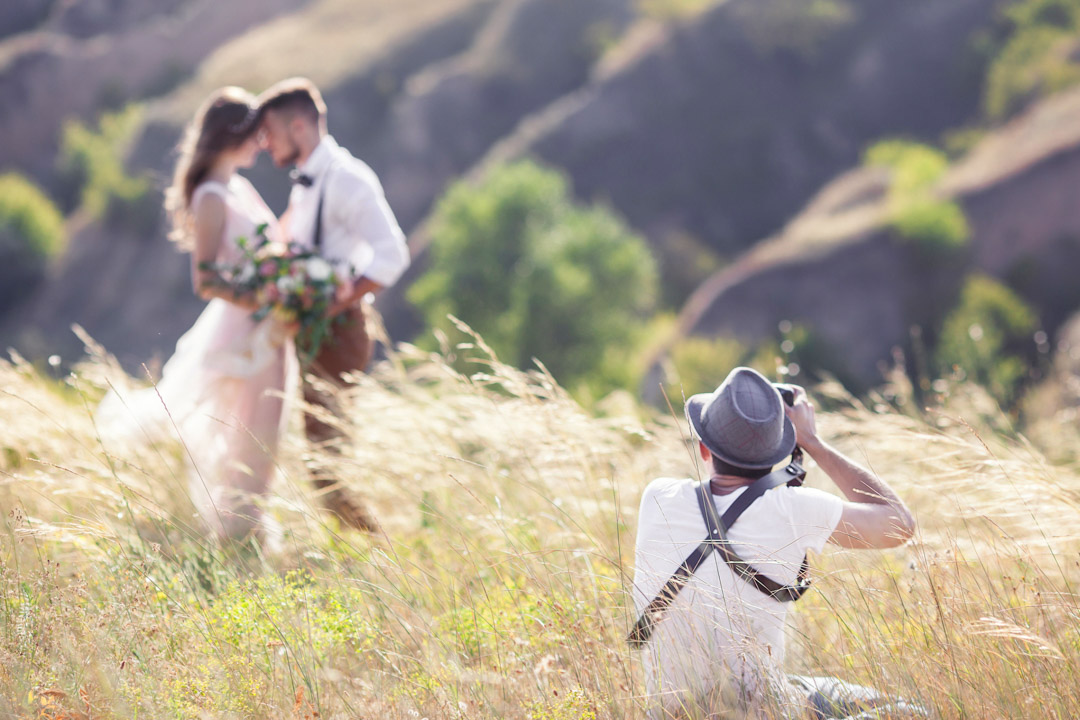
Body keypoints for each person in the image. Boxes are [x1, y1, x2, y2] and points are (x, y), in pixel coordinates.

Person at [631, 366, 921, 719]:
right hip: (763, 711)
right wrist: (812, 442)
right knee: (911, 712)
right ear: (776, 455)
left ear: (705, 449)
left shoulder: (657, 496)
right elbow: (900, 524)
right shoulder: (793, 509)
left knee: (800, 686)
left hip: (670, 712)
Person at [97, 87, 297, 542]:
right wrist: (263, 299)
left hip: (270, 324)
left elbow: (273, 247)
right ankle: (236, 534)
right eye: (255, 135)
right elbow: (205, 280)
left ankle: (245, 532)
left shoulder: (239, 187)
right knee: (244, 430)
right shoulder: (210, 197)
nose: (262, 144)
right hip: (242, 329)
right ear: (232, 136)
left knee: (268, 428)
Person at [256, 77, 410, 532]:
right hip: (309, 334)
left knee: (326, 465)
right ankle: (363, 551)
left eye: (271, 133)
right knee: (323, 459)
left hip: (339, 334)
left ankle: (380, 554)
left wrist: (339, 299)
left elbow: (392, 253)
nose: (265, 145)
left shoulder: (348, 178)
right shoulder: (306, 182)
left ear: (299, 127)